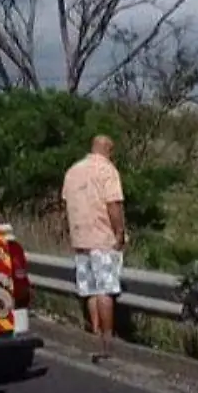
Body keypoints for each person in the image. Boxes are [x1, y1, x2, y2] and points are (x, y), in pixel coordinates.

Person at [63, 135, 126, 362]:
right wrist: (119, 232)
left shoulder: (72, 171)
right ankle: (107, 340)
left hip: (80, 238)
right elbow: (113, 205)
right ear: (108, 149)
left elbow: (67, 201)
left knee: (88, 288)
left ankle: (95, 332)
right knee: (105, 289)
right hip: (102, 238)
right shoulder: (107, 171)